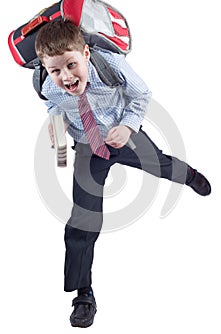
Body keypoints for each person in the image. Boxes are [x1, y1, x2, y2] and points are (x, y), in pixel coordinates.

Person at [35, 19, 211, 328]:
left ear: (86, 54)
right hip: (89, 148)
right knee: (83, 221)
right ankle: (83, 295)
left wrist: (128, 125)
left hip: (124, 134)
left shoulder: (109, 64)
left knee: (160, 164)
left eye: (71, 64)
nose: (65, 76)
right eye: (55, 70)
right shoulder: (49, 85)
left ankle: (190, 175)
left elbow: (141, 94)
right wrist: (57, 123)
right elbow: (54, 104)